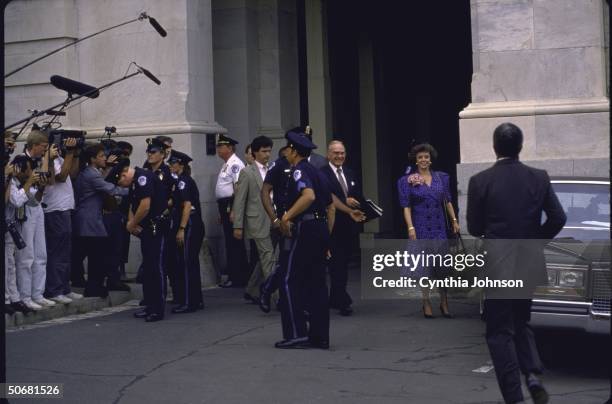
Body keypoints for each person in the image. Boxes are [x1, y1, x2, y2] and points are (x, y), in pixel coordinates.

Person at [467, 122, 566, 404]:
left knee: (499, 332)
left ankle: (514, 396)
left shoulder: (480, 181)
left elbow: (474, 227)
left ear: (494, 147)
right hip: (528, 259)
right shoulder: (539, 177)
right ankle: (533, 375)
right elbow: (558, 218)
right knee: (521, 322)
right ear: (520, 147)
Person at [275, 130, 335, 349]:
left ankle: (297, 334)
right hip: (319, 229)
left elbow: (307, 195)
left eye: (287, 151)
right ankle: (319, 337)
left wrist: (286, 216)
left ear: (293, 150)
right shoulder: (319, 172)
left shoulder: (299, 170)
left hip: (305, 229)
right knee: (317, 284)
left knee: (290, 280)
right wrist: (327, 238)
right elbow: (330, 208)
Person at [397, 143, 460, 318]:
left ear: (430, 159)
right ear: (415, 161)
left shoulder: (441, 178)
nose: (424, 160)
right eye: (420, 158)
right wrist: (410, 227)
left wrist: (454, 220)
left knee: (442, 267)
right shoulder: (407, 181)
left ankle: (444, 302)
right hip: (421, 227)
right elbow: (406, 206)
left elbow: (447, 201)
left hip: (439, 228)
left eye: (426, 157)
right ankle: (426, 302)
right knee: (424, 268)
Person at [74, 143, 128, 298]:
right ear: (92, 159)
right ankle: (93, 287)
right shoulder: (92, 174)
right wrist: (132, 190)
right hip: (90, 220)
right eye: (102, 156)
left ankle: (94, 285)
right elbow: (110, 189)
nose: (105, 158)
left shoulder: (89, 171)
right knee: (96, 255)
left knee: (93, 254)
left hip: (89, 218)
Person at [117, 160, 168, 322]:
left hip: (156, 227)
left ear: (124, 175)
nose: (121, 185)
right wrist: (132, 223)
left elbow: (145, 205)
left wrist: (132, 224)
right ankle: (149, 305)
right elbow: (134, 205)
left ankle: (157, 309)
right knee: (148, 268)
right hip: (146, 228)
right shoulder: (134, 182)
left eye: (120, 181)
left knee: (155, 268)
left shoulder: (142, 178)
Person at [320, 140, 363, 316]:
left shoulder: (350, 172)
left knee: (342, 263)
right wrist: (345, 202)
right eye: (336, 153)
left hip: (349, 225)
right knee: (336, 264)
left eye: (342, 153)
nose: (339, 156)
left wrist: (357, 202)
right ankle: (342, 300)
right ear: (328, 154)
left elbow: (358, 194)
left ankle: (334, 298)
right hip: (330, 224)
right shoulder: (322, 173)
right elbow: (326, 196)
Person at [13, 130, 55, 310]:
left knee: (41, 253)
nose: (44, 151)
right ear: (34, 145)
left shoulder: (40, 160)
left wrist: (42, 187)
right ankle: (25, 295)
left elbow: (47, 182)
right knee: (26, 255)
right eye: (43, 148)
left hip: (36, 206)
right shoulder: (21, 160)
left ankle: (38, 293)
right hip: (24, 208)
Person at [232, 136, 275, 304]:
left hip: (274, 219)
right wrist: (238, 226)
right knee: (268, 256)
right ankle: (276, 297)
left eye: (269, 151)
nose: (267, 154)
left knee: (266, 258)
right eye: (264, 151)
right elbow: (240, 200)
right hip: (257, 220)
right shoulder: (247, 172)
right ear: (255, 153)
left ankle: (252, 289)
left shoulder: (272, 169)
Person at [42, 135, 83, 304]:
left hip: (65, 208)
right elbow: (61, 176)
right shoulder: (46, 160)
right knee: (57, 252)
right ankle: (54, 289)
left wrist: (75, 154)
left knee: (66, 252)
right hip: (54, 209)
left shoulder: (59, 157)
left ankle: (64, 288)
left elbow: (72, 173)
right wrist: (69, 153)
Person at [167, 150, 205, 313]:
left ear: (180, 165)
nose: (170, 166)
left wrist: (181, 229)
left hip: (190, 224)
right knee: (188, 263)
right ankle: (195, 299)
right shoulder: (179, 181)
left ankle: (190, 302)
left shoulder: (183, 181)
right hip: (190, 223)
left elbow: (187, 205)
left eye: (172, 163)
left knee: (187, 263)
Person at [215, 133, 248, 288]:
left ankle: (238, 276)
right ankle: (236, 274)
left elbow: (238, 188)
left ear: (230, 148)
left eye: (221, 146)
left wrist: (234, 209)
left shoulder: (235, 164)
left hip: (231, 204)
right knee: (230, 241)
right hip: (225, 205)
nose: (218, 149)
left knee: (234, 242)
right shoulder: (227, 163)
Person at [4, 150, 35, 315]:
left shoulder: (15, 182)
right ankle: (7, 299)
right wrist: (28, 182)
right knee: (7, 264)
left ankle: (14, 298)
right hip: (6, 224)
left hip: (10, 225)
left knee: (11, 265)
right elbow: (15, 201)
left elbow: (33, 201)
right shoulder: (10, 180)